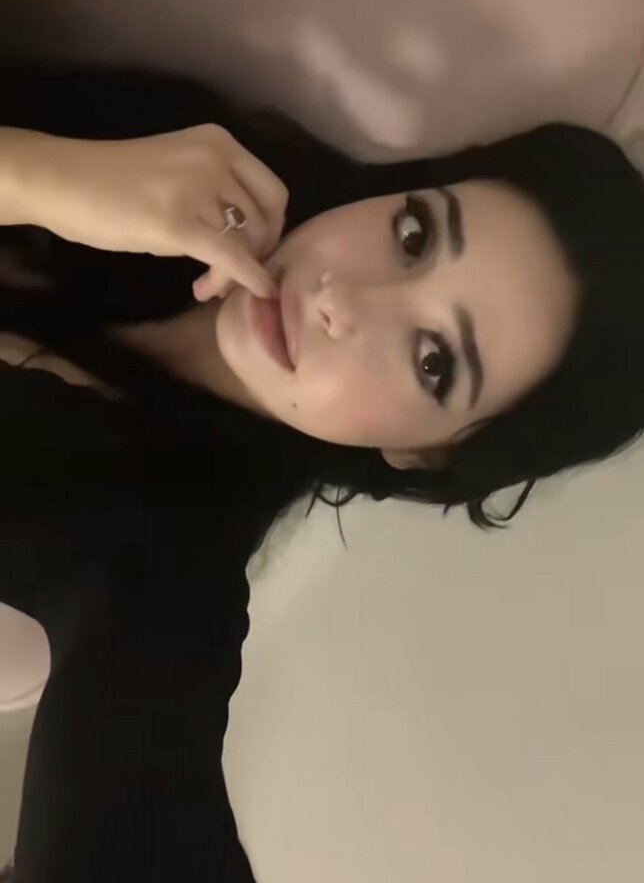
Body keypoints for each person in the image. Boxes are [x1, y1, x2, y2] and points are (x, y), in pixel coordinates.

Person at [0, 65, 642, 881]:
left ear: (424, 453)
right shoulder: (158, 139)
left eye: (433, 360)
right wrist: (40, 175)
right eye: (414, 236)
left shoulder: (163, 558)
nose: (345, 300)